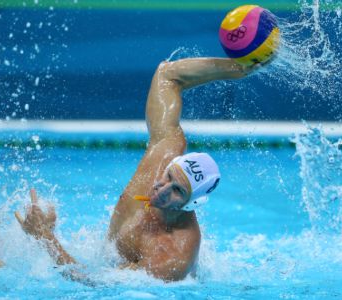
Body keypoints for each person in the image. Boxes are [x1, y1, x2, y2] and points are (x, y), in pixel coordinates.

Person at [14, 58, 257, 282]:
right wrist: (239, 68)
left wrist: (44, 237)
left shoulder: (172, 257)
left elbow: (94, 284)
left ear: (192, 204)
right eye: (169, 177)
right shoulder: (164, 154)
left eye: (177, 191)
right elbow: (168, 75)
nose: (162, 190)